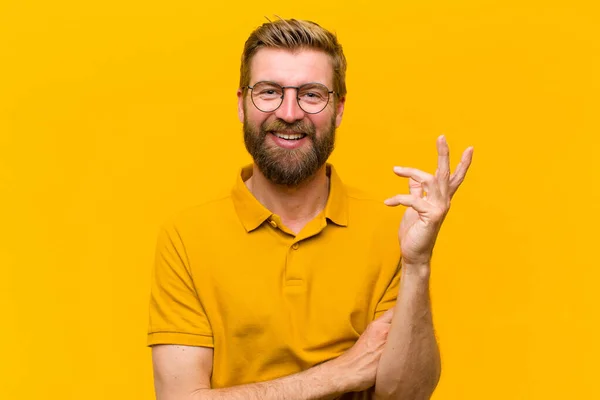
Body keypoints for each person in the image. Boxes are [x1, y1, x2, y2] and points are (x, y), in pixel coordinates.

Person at [147, 18, 473, 400]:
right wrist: (340, 373)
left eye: (312, 94)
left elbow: (407, 395)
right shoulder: (186, 237)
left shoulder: (391, 228)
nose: (288, 112)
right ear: (241, 104)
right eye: (269, 92)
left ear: (338, 109)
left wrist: (418, 264)